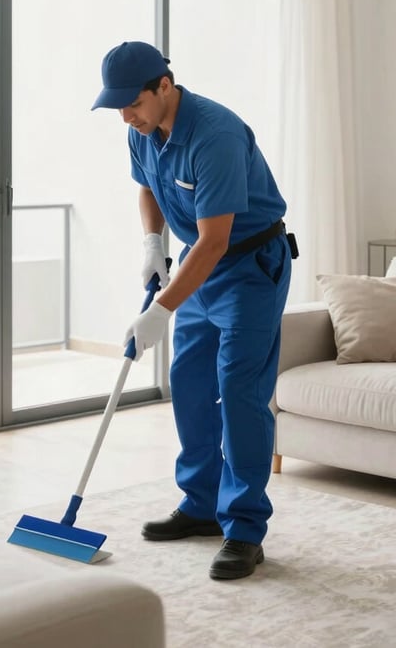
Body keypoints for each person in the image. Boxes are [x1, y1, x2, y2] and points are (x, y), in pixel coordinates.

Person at [92, 40, 293, 580]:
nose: (125, 117)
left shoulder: (215, 134)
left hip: (248, 268)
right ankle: (202, 504)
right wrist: (151, 243)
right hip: (196, 267)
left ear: (164, 86)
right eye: (117, 107)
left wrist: (160, 308)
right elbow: (148, 189)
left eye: (131, 103)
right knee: (190, 382)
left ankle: (245, 528)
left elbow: (216, 239)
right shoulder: (140, 129)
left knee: (239, 393)